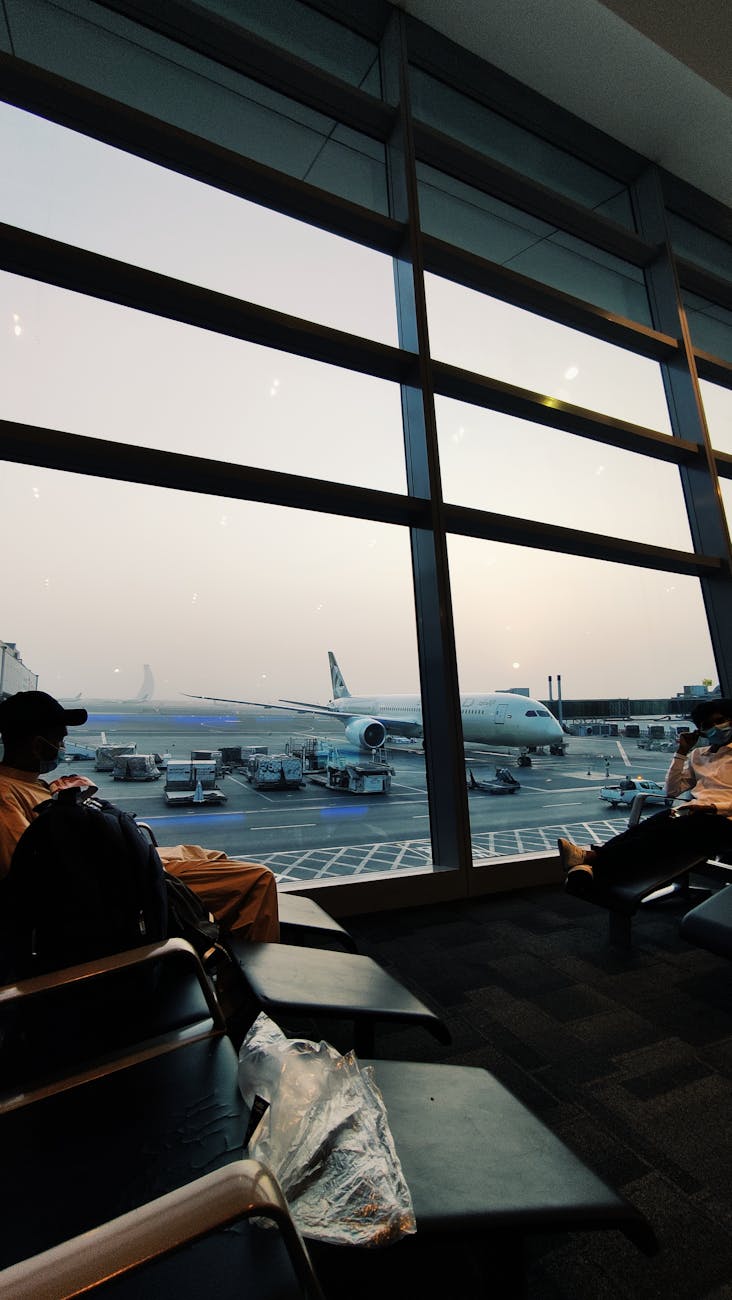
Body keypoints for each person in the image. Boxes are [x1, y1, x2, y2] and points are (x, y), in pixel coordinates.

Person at [0, 690, 279, 940]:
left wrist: (64, 795)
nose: (62, 749)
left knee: (211, 857)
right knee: (257, 879)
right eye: (59, 740)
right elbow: (31, 874)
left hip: (121, 859)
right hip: (119, 875)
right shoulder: (5, 796)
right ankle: (239, 990)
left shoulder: (29, 783)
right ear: (37, 746)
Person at [557, 698, 732, 891]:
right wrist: (682, 752)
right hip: (695, 814)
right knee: (645, 828)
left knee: (662, 835)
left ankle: (590, 860)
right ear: (700, 730)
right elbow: (672, 791)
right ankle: (587, 865)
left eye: (721, 720)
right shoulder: (698, 755)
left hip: (725, 819)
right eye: (708, 725)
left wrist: (712, 807)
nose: (716, 727)